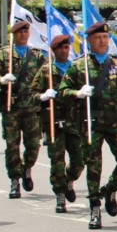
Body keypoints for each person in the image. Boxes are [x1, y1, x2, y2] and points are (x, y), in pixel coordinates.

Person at [58, 22, 117, 230]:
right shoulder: (79, 65)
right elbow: (63, 91)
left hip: (114, 120)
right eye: (98, 38)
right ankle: (94, 208)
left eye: (104, 37)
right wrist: (78, 93)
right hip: (90, 121)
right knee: (94, 166)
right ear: (89, 41)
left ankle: (110, 189)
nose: (102, 41)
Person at [31, 35, 86, 213]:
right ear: (54, 50)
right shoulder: (46, 70)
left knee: (79, 160)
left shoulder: (76, 68)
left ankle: (69, 180)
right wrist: (42, 96)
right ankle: (60, 194)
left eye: (66, 48)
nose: (64, 51)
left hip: (74, 121)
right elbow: (32, 94)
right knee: (57, 161)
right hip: (54, 121)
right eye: (61, 48)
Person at [0, 19, 47, 198]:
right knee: (12, 146)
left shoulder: (37, 55)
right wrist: (1, 79)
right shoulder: (4, 54)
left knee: (33, 145)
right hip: (11, 107)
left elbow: (48, 75)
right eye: (19, 32)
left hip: (31, 108)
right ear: (14, 35)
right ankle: (14, 180)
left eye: (25, 32)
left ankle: (26, 168)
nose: (23, 35)